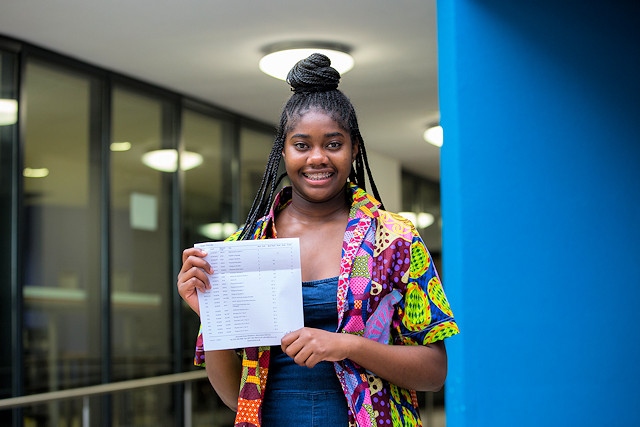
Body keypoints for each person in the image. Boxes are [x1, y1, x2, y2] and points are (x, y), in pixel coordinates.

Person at [177, 53, 459, 427]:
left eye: (333, 143)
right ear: (283, 150)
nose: (317, 158)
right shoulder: (243, 248)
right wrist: (212, 315)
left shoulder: (394, 241)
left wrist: (347, 346)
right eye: (301, 145)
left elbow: (434, 372)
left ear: (354, 148)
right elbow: (233, 397)